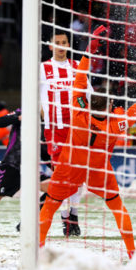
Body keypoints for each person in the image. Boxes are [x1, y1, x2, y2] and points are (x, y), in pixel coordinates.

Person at [38, 26, 136, 259]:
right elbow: (134, 110)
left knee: (50, 204)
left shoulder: (78, 113)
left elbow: (80, 81)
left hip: (70, 164)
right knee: (116, 206)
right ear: (110, 107)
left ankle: (39, 247)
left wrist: (88, 51)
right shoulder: (115, 124)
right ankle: (132, 252)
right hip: (98, 169)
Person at [39, 29, 91, 236]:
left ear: (68, 45)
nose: (61, 46)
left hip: (77, 129)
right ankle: (63, 216)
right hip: (56, 131)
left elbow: (89, 94)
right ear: (50, 46)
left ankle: (73, 216)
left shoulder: (78, 67)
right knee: (62, 176)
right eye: (57, 42)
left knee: (78, 175)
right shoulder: (42, 69)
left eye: (64, 42)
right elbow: (32, 95)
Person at [0, 109, 50, 230]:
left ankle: (26, 223)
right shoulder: (24, 110)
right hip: (12, 164)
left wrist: (55, 166)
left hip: (30, 168)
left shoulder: (47, 124)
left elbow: (44, 152)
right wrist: (19, 118)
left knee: (54, 189)